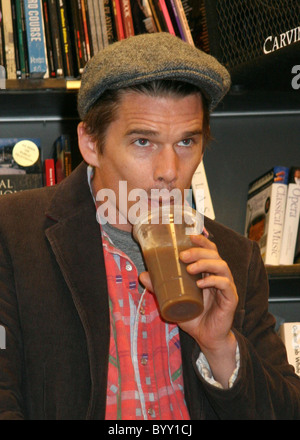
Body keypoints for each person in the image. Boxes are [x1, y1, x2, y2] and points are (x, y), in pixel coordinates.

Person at [0, 32, 299, 421]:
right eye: (144, 142)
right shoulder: (12, 232)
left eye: (187, 142)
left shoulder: (234, 257)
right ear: (91, 143)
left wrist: (220, 346)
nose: (170, 172)